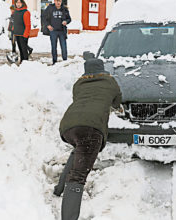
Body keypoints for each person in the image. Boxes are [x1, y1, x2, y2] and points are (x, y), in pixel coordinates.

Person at [57, 52, 122, 220]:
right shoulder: (110, 81)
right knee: (78, 176)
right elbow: (116, 102)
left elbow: (81, 100)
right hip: (91, 128)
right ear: (102, 69)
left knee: (79, 149)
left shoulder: (78, 84)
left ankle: (59, 189)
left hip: (68, 126)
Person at [43, 0, 71, 65]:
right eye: (57, 1)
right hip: (53, 31)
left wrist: (66, 22)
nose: (58, 3)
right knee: (54, 47)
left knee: (64, 47)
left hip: (62, 31)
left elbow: (69, 18)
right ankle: (54, 61)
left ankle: (65, 61)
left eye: (60, 1)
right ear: (54, 1)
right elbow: (43, 17)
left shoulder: (64, 9)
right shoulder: (50, 8)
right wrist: (48, 25)